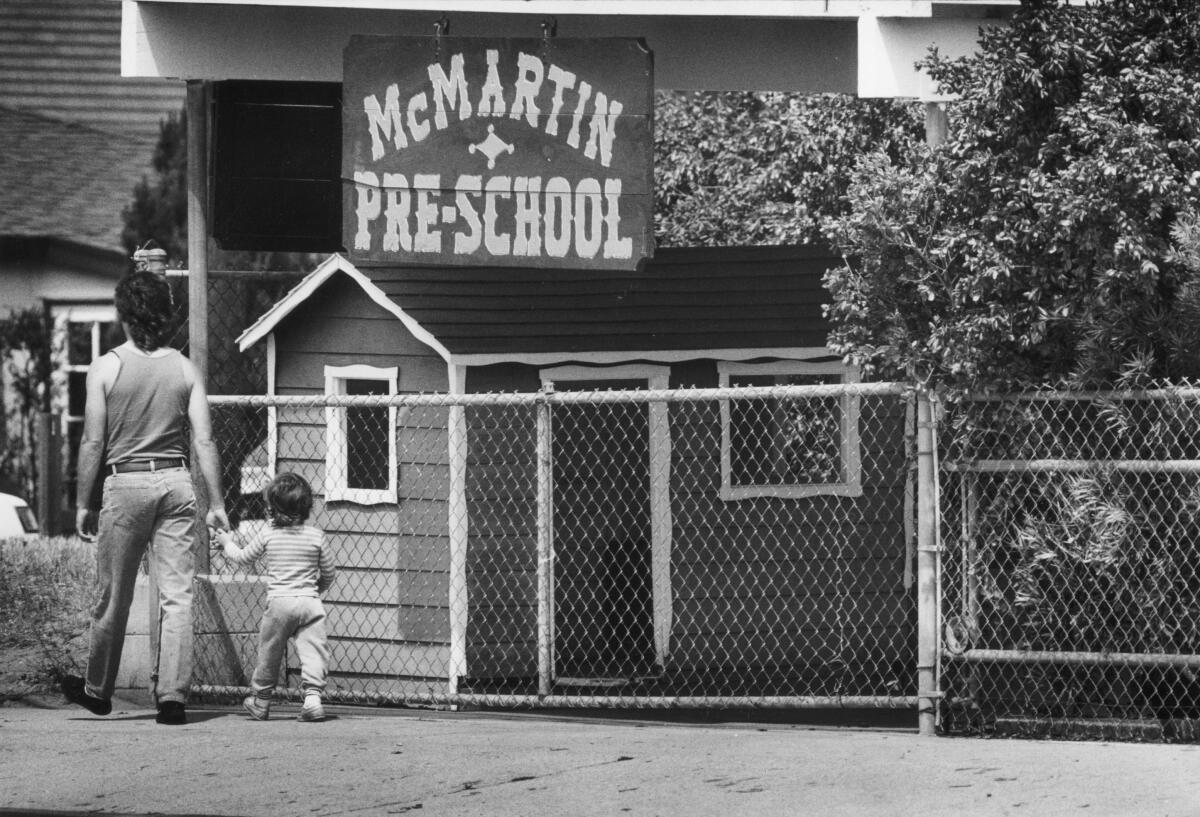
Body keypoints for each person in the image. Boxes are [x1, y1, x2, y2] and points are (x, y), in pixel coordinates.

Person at [62, 256, 230, 726]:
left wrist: (82, 501)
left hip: (127, 482)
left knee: (113, 595)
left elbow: (93, 440)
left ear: (124, 315)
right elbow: (204, 441)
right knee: (177, 595)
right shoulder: (185, 369)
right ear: (165, 314)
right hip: (177, 482)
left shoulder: (105, 368)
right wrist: (216, 503)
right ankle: (172, 698)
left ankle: (99, 690)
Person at [214, 471, 336, 722]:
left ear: (271, 509)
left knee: (269, 651)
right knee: (314, 651)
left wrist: (227, 543)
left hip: (279, 603)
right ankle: (313, 700)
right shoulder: (316, 536)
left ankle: (261, 701)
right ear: (306, 508)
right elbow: (329, 573)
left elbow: (242, 557)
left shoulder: (269, 534)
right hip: (309, 602)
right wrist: (315, 591)